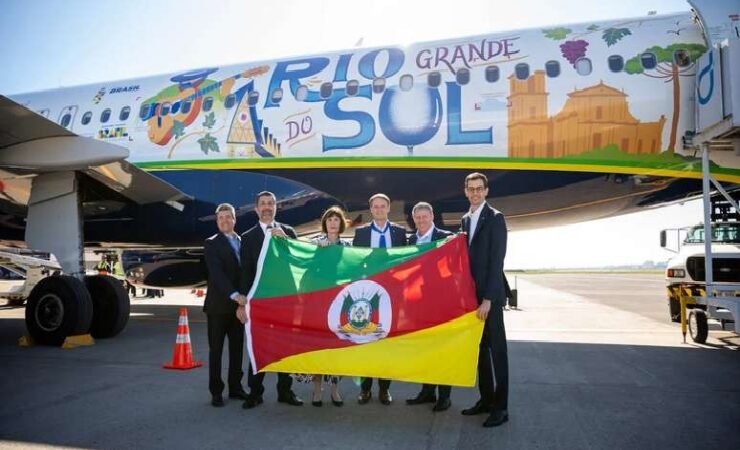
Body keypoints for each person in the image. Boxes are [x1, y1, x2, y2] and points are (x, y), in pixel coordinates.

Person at [238, 191, 304, 408]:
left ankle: (285, 391)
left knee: (286, 348)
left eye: (270, 204)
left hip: (285, 302)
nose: (267, 207)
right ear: (256, 209)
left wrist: (286, 242)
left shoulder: (289, 232)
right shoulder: (247, 238)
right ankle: (255, 392)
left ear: (277, 207)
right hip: (260, 304)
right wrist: (243, 303)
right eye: (263, 204)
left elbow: (298, 262)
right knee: (258, 347)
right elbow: (245, 273)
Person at [460, 172, 510, 428]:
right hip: (472, 298)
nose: (476, 192)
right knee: (480, 351)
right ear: (466, 191)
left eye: (480, 188)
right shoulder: (465, 219)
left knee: (498, 353)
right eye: (471, 189)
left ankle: (501, 408)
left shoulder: (495, 218)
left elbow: (496, 262)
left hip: (490, 298)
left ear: (486, 191)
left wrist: (489, 299)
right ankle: (486, 400)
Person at [352, 193, 407, 405]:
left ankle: (385, 389)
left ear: (389, 208)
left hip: (392, 296)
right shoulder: (361, 233)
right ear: (371, 209)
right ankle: (365, 389)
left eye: (383, 206)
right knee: (366, 340)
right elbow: (355, 261)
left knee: (387, 343)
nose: (379, 210)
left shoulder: (400, 232)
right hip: (368, 295)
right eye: (375, 207)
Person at [405, 202, 454, 412]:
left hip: (441, 302)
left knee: (443, 349)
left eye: (425, 216)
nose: (422, 220)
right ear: (414, 219)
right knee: (425, 348)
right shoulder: (412, 239)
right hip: (420, 301)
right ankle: (427, 391)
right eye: (418, 217)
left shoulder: (445, 236)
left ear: (432, 216)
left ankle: (444, 396)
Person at [203, 203, 249, 407]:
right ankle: (216, 391)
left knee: (237, 350)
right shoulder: (211, 243)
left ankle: (236, 388)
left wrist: (244, 298)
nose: (224, 221)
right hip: (218, 307)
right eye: (220, 218)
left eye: (227, 217)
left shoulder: (243, 241)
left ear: (234, 219)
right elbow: (217, 274)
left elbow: (247, 273)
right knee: (216, 351)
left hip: (239, 307)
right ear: (217, 221)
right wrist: (235, 295)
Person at [307, 206, 350, 407]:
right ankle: (317, 389)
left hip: (340, 303)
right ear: (325, 223)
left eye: (336, 220)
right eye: (329, 219)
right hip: (319, 304)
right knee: (318, 346)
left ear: (341, 224)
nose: (333, 223)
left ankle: (335, 390)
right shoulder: (315, 244)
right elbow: (306, 269)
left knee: (337, 348)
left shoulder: (348, 246)